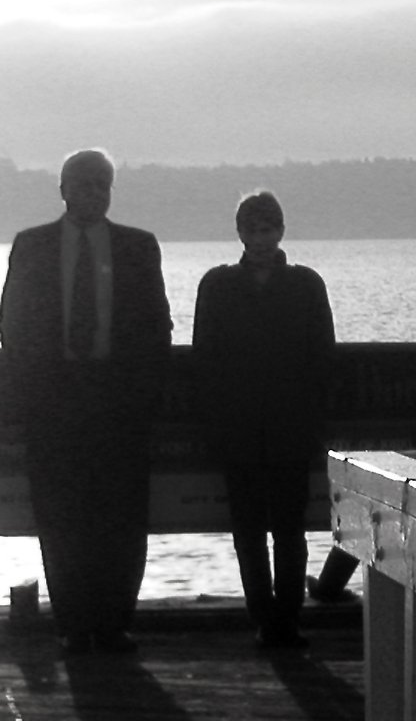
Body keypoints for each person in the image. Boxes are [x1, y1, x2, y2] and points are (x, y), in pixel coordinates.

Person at [0, 148, 172, 654]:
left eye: (101, 185)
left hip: (119, 407)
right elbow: (11, 323)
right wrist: (33, 392)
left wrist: (141, 396)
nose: (93, 193)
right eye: (83, 184)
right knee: (60, 519)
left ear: (110, 191)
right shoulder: (31, 246)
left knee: (121, 520)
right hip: (53, 406)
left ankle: (115, 623)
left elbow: (155, 327)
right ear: (63, 189)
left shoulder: (139, 248)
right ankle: (74, 625)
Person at [192, 191, 335, 648]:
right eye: (253, 229)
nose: (261, 238)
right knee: (248, 531)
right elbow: (205, 360)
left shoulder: (307, 284)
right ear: (239, 232)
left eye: (268, 228)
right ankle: (262, 616)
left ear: (281, 231)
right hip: (238, 430)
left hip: (291, 429)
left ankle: (287, 619)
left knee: (290, 531)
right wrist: (213, 423)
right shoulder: (215, 285)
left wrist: (317, 423)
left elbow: (323, 359)